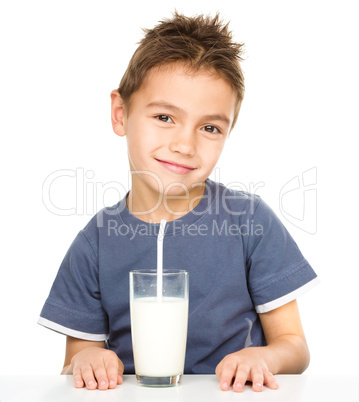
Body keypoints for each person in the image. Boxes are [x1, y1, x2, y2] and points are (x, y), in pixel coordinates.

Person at [38, 11, 318, 393]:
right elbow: (76, 357)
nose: (185, 145)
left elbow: (295, 347)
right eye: (165, 117)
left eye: (209, 127)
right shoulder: (96, 242)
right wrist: (86, 359)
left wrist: (265, 357)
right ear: (121, 114)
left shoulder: (249, 222)